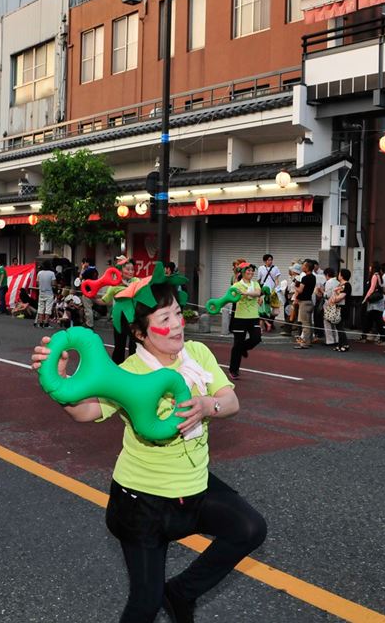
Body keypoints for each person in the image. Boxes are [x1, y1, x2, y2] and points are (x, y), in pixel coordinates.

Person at [30, 263, 266, 623]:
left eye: (177, 314)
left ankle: (181, 592)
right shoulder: (129, 372)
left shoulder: (197, 354)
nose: (177, 325)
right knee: (144, 604)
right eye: (164, 318)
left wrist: (207, 406)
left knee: (249, 528)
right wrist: (60, 381)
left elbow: (230, 401)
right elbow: (86, 412)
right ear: (140, 333)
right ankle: (164, 596)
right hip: (142, 500)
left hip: (194, 485)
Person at [98, 259, 139, 363]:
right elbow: (104, 301)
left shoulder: (136, 281)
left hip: (134, 318)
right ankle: (117, 367)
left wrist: (126, 285)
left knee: (134, 345)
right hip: (119, 318)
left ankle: (133, 366)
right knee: (119, 345)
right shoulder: (114, 286)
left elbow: (140, 291)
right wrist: (92, 297)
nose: (131, 272)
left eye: (132, 269)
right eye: (128, 269)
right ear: (120, 271)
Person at [228, 262, 262, 379]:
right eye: (248, 270)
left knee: (256, 338)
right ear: (243, 272)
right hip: (240, 318)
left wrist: (245, 293)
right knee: (237, 344)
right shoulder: (236, 285)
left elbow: (258, 293)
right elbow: (230, 296)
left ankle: (243, 348)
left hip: (253, 317)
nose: (251, 272)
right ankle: (233, 370)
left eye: (252, 271)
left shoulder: (255, 284)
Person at [326, 269, 352, 352]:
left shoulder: (346, 285)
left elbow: (340, 297)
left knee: (340, 326)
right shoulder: (340, 284)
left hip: (343, 307)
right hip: (337, 307)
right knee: (338, 326)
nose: (338, 275)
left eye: (339, 274)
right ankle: (340, 344)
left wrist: (334, 298)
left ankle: (345, 344)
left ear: (342, 276)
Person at [293, 260, 316, 349]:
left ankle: (305, 343)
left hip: (304, 303)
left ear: (307, 267)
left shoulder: (305, 278)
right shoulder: (313, 277)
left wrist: (295, 286)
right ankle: (309, 341)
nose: (302, 267)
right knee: (309, 323)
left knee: (305, 324)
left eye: (303, 265)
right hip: (309, 302)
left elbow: (300, 290)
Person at [361, 262, 385, 343]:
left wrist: (365, 298)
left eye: (370, 266)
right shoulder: (379, 275)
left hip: (374, 302)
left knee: (375, 320)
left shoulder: (374, 276)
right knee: (372, 319)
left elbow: (371, 289)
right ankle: (364, 336)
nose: (369, 267)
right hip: (377, 301)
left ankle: (382, 338)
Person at [35, 263, 57, 328]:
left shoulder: (39, 273)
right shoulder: (52, 273)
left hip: (41, 292)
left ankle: (40, 322)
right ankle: (46, 323)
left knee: (40, 307)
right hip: (49, 292)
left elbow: (37, 283)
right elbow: (54, 283)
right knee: (48, 308)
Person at [79, 258, 99, 328]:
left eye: (84, 263)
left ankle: (89, 324)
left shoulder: (88, 270)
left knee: (88, 308)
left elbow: (80, 277)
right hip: (93, 291)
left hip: (87, 291)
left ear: (87, 263)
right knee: (90, 307)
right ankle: (89, 322)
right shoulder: (95, 270)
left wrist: (82, 268)